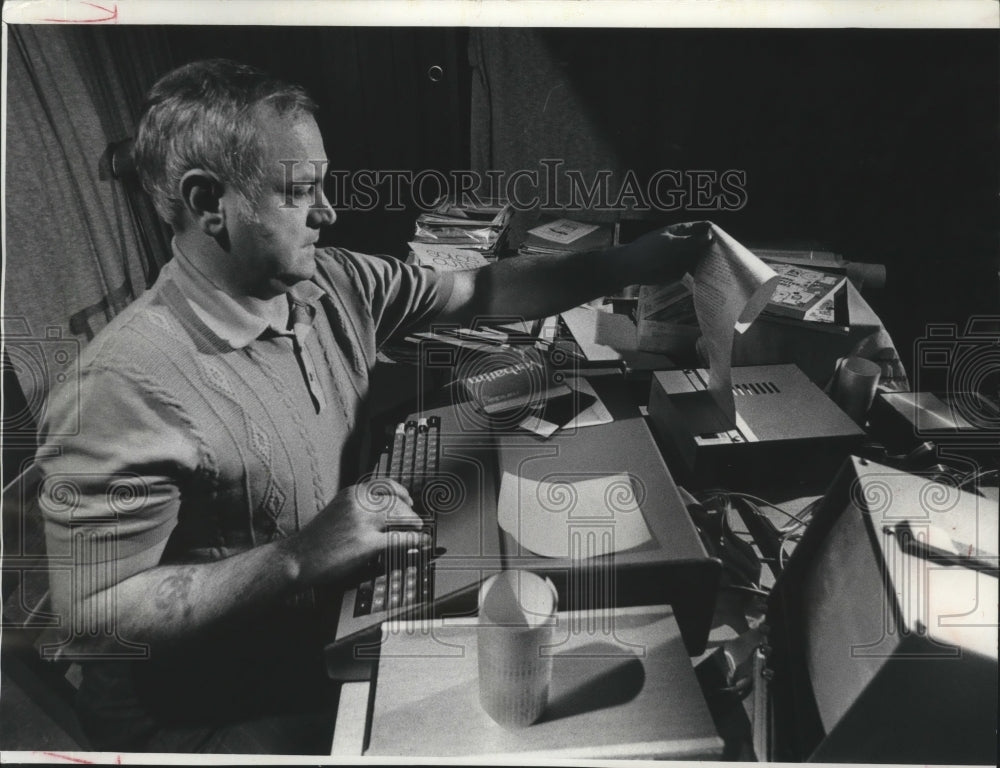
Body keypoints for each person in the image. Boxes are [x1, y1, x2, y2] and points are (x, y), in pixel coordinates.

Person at [36, 58, 710, 753]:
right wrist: (298, 557)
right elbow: (90, 618)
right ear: (210, 203)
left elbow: (482, 291)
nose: (328, 212)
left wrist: (632, 263)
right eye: (301, 191)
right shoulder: (121, 385)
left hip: (314, 625)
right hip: (202, 710)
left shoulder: (329, 281)